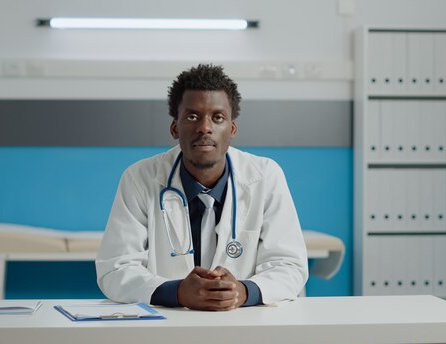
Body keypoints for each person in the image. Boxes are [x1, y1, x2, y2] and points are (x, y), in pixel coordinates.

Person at [96, 64, 309, 315]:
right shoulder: (140, 179)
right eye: (192, 116)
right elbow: (115, 269)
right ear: (175, 127)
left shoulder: (265, 176)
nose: (205, 127)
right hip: (166, 327)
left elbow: (290, 265)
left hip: (243, 326)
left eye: (217, 117)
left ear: (232, 129)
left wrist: (244, 291)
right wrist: (175, 292)